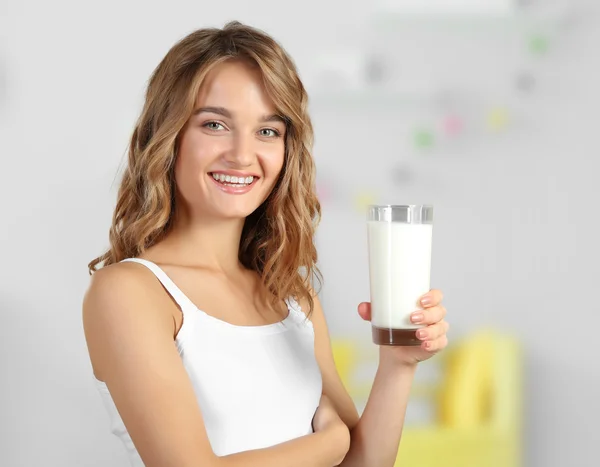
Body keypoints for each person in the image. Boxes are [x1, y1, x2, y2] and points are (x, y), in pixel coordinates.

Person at [82, 20, 449, 467]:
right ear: (168, 137)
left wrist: (398, 364)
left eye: (268, 131)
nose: (242, 154)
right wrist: (330, 444)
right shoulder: (129, 292)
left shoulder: (292, 297)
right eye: (215, 124)